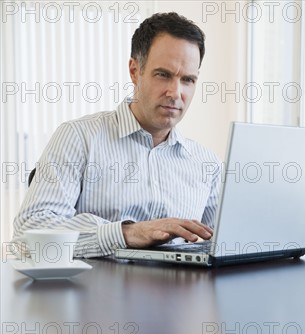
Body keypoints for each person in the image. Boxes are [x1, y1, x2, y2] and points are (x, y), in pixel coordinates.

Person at [12, 12, 221, 258]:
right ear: (135, 71)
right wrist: (127, 234)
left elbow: (227, 245)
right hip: (98, 294)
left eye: (188, 80)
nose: (175, 93)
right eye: (163, 74)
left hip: (182, 293)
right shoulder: (79, 138)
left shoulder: (208, 164)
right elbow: (29, 235)